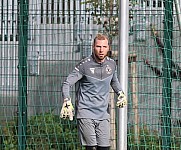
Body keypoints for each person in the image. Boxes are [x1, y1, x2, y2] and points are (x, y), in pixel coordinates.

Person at [60, 33, 127, 150]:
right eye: (98, 46)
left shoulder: (112, 64)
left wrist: (121, 93)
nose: (101, 50)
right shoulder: (84, 65)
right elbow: (67, 83)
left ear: (108, 48)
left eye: (104, 47)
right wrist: (67, 100)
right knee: (92, 148)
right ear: (93, 47)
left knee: (104, 148)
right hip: (86, 112)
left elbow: (114, 81)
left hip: (103, 114)